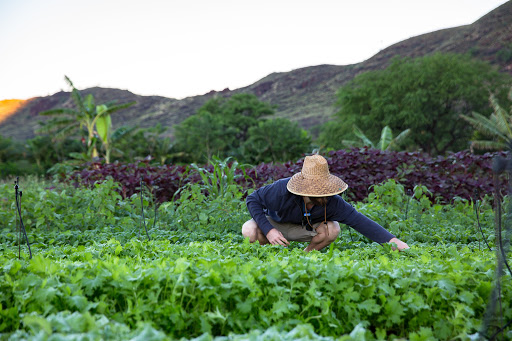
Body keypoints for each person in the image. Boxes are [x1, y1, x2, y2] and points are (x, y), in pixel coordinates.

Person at [242, 154, 409, 252]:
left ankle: (304, 258)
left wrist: (394, 242)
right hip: (275, 224)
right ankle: (270, 256)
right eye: (317, 192)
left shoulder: (333, 202)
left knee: (333, 229)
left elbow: (360, 221)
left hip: (304, 228)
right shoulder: (281, 190)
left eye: (325, 191)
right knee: (249, 230)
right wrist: (269, 230)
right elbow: (252, 199)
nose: (324, 197)